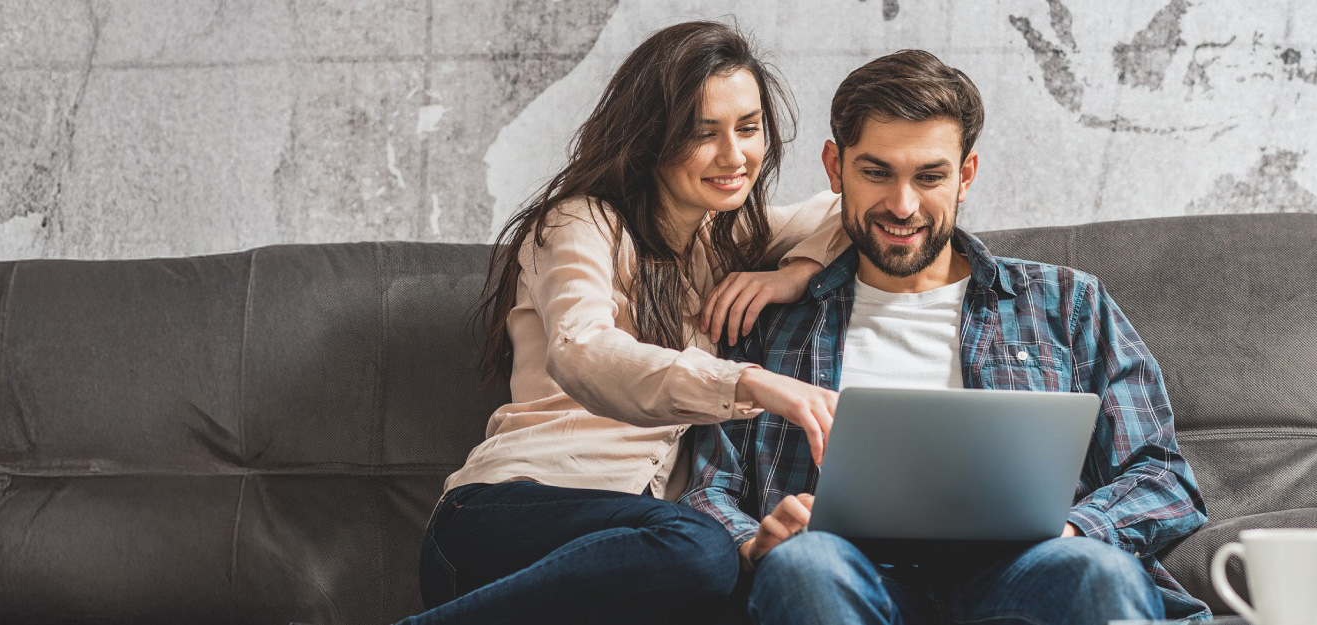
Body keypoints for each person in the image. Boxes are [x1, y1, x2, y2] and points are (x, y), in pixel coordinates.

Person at [683, 49, 1211, 624]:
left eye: (930, 176)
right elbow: (708, 487)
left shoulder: (1066, 303)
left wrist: (1074, 528)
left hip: (1024, 572)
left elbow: (1162, 476)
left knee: (1098, 569)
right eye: (876, 172)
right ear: (835, 168)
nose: (902, 206)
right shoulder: (769, 323)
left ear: (966, 175)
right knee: (805, 565)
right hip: (846, 575)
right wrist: (754, 541)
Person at [399, 21, 846, 625]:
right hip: (501, 518)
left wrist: (792, 273)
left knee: (723, 564)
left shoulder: (729, 237)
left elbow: (858, 208)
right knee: (701, 549)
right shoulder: (581, 223)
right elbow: (582, 349)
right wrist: (747, 383)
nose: (734, 156)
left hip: (632, 553)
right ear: (651, 136)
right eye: (702, 133)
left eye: (748, 128)